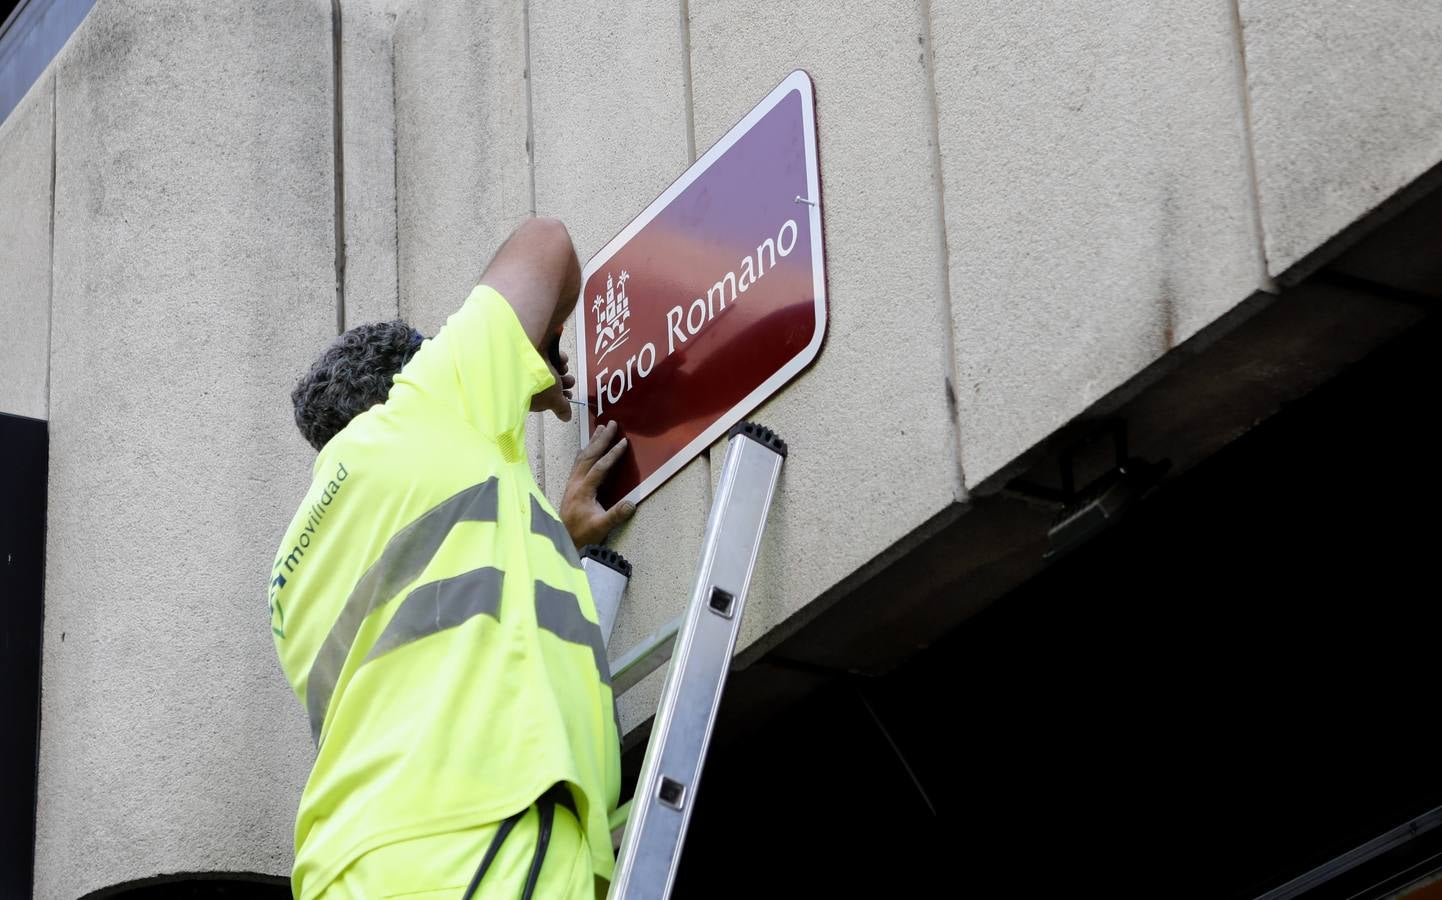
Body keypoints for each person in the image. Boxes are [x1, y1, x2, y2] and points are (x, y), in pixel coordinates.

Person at [269, 216, 634, 899]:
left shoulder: (290, 571)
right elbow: (546, 243)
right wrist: (535, 361)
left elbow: (430, 634)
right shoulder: (428, 407)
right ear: (412, 376)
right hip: (474, 836)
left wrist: (555, 536)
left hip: (342, 868)